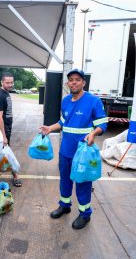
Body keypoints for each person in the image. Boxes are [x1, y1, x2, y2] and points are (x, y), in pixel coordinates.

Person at [41, 69, 108, 229]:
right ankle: (65, 205)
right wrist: (50, 128)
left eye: (78, 79)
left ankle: (85, 214)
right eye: (71, 80)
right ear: (67, 83)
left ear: (83, 83)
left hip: (83, 153)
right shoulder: (65, 101)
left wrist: (93, 133)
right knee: (64, 180)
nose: (74, 82)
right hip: (66, 151)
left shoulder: (93, 101)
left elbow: (102, 124)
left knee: (83, 183)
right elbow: (63, 122)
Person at [0, 72, 22, 187]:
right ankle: (15, 176)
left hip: (6, 128)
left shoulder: (5, 93)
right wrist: (3, 136)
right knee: (8, 153)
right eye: (7, 82)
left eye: (11, 82)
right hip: (1, 129)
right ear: (2, 82)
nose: (10, 84)